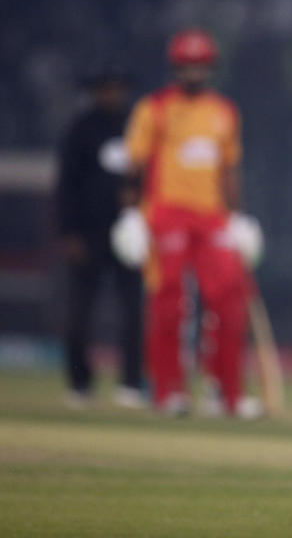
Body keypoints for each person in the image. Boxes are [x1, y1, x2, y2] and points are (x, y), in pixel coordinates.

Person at [117, 28, 261, 417]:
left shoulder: (224, 112)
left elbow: (230, 169)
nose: (194, 73)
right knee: (168, 303)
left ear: (209, 68)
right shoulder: (154, 109)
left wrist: (239, 219)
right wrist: (130, 214)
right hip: (166, 212)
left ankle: (226, 394)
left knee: (229, 299)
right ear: (175, 67)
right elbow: (134, 165)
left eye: (200, 66)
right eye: (187, 66)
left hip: (212, 216)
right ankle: (168, 391)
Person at [56, 65, 146, 409]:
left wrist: (139, 209)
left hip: (128, 231)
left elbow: (145, 173)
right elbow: (66, 186)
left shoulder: (135, 127)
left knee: (132, 309)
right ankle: (80, 384)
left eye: (116, 87)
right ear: (94, 91)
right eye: (104, 88)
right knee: (80, 310)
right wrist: (69, 232)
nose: (111, 94)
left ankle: (131, 383)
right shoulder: (79, 130)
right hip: (88, 232)